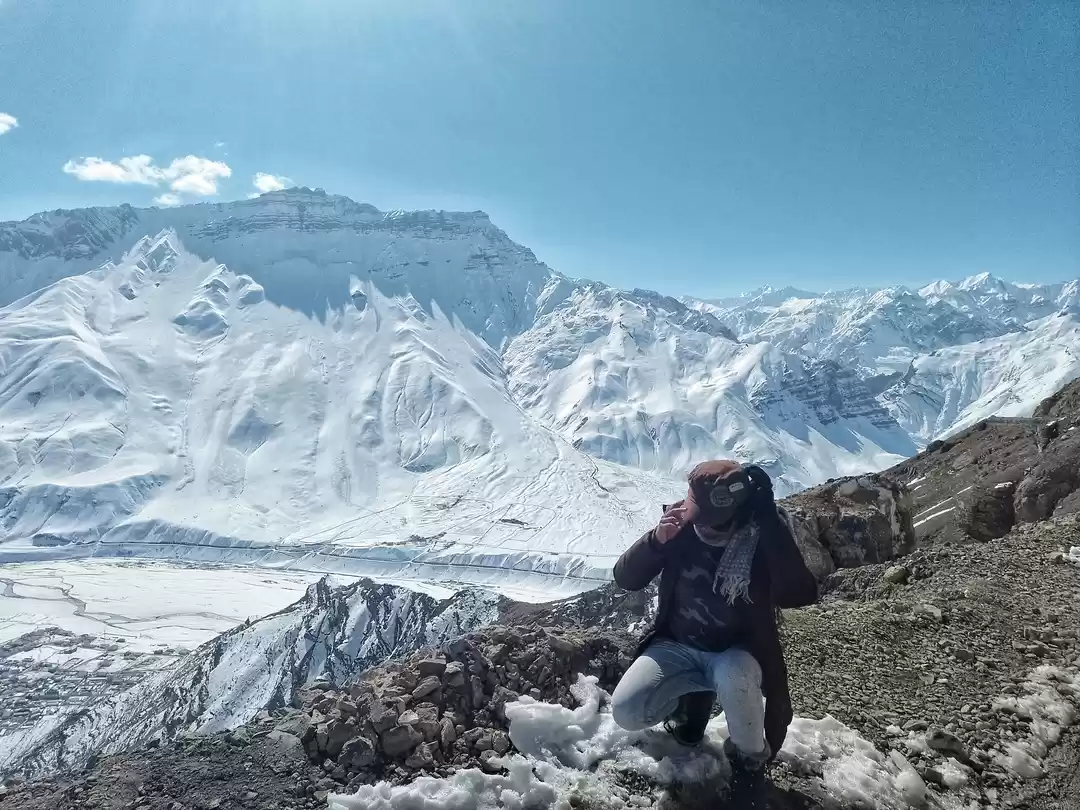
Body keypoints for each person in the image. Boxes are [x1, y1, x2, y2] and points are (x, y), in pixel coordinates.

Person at [609, 459, 817, 792]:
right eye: (695, 513)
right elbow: (625, 578)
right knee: (627, 710)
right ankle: (689, 707)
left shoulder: (759, 537)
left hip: (735, 655)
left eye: (708, 520)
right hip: (675, 645)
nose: (700, 525)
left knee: (735, 682)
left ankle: (746, 764)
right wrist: (655, 541)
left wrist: (770, 523)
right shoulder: (679, 526)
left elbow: (800, 594)